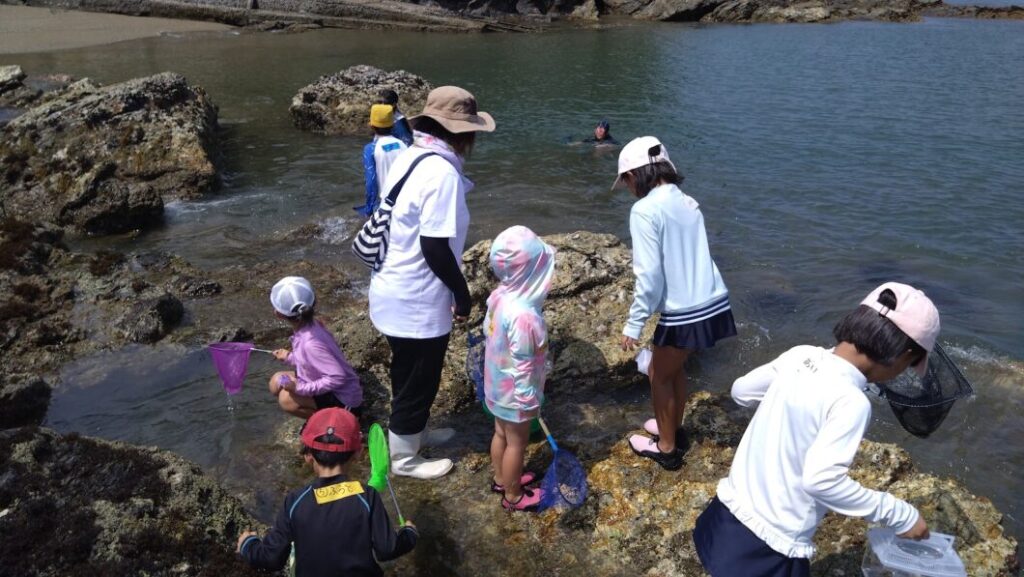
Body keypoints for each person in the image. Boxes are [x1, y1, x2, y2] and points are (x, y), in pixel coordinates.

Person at [693, 282, 939, 577]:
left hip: (724, 517)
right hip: (767, 547)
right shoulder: (852, 402)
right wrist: (901, 514)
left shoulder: (801, 355)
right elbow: (821, 482)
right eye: (910, 364)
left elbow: (741, 391)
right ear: (902, 355)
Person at [368, 86, 495, 479]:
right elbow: (435, 246)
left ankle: (413, 433)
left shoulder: (411, 155)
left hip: (391, 285)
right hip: (416, 298)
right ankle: (404, 459)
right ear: (463, 133)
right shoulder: (442, 174)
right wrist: (462, 293)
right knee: (419, 377)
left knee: (407, 371)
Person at [616, 136, 736, 471]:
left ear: (636, 174)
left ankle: (666, 448)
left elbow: (649, 274)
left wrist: (634, 323)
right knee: (672, 368)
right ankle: (672, 427)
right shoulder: (687, 201)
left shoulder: (644, 210)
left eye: (625, 179)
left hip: (684, 310)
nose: (627, 187)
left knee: (658, 374)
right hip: (711, 301)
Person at [237, 408, 417, 576]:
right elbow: (387, 550)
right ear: (358, 453)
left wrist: (248, 545)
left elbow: (271, 559)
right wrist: (408, 534)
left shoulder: (294, 501)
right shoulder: (367, 497)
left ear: (308, 455)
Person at [483, 226, 554, 511]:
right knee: (517, 443)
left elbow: (489, 332)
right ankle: (513, 495)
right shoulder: (525, 316)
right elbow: (524, 363)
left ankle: (502, 478)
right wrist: (528, 399)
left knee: (500, 434)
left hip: (496, 386)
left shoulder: (499, 297)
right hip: (515, 394)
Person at [268, 276, 363, 419]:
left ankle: (332, 422)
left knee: (286, 400)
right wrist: (290, 357)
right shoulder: (310, 325)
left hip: (344, 399)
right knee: (276, 381)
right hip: (321, 381)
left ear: (278, 314)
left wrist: (299, 388)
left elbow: (337, 377)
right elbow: (309, 360)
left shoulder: (310, 344)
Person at [355, 104, 408, 217]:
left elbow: (371, 182)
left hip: (386, 205)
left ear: (372, 126)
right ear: (392, 124)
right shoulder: (403, 145)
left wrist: (369, 209)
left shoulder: (371, 149)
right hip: (405, 202)